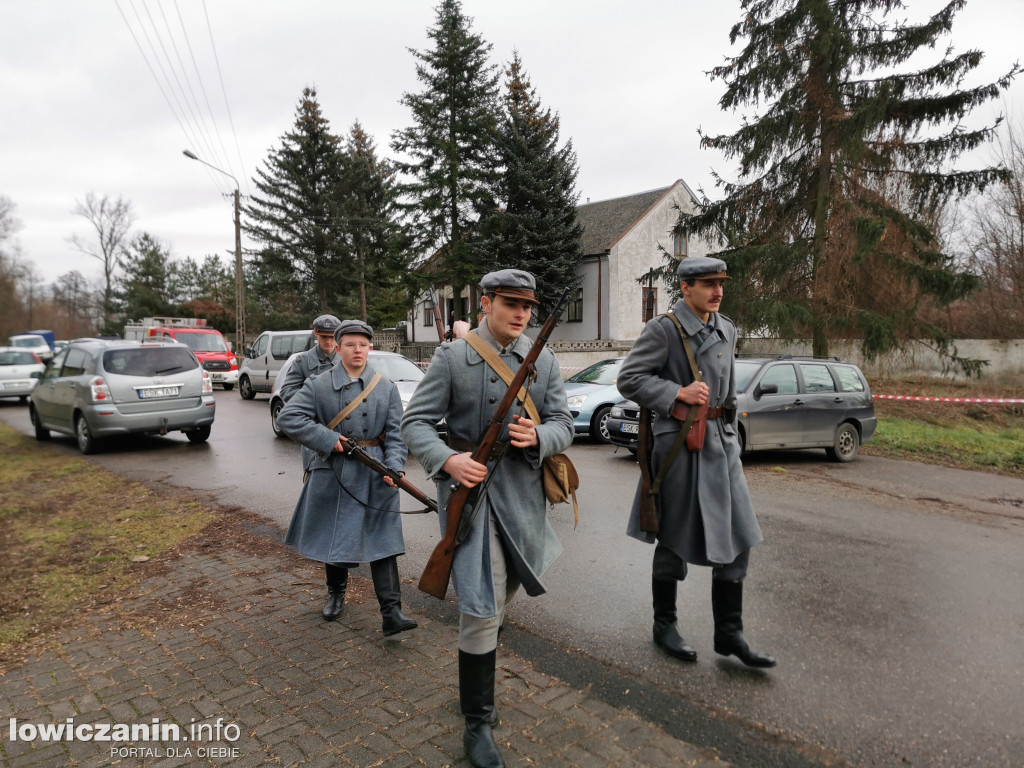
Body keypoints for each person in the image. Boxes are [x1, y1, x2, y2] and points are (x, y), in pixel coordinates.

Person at [401, 269, 574, 768]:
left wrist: (540, 439)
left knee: (504, 594)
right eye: (510, 304)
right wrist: (448, 460)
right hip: (470, 500)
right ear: (486, 303)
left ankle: (477, 669)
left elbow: (564, 424)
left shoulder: (545, 361)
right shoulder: (453, 358)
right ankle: (477, 720)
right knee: (479, 607)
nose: (521, 314)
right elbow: (416, 423)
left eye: (527, 307)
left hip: (522, 498)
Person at [617, 256, 776, 669]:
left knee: (740, 537)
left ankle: (729, 633)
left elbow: (730, 395)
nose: (718, 291)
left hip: (721, 446)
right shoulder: (664, 330)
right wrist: (676, 393)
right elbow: (629, 379)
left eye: (721, 283)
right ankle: (664, 625)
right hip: (680, 448)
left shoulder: (727, 329)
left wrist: (733, 442)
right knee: (674, 539)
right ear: (686, 288)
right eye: (708, 283)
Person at [277, 319, 417, 636]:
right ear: (338, 348)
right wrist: (328, 440)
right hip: (335, 472)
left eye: (363, 344)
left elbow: (396, 436)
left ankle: (391, 613)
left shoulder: (385, 387)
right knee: (336, 536)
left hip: (375, 471)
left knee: (384, 542)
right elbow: (288, 418)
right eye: (350, 344)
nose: (358, 350)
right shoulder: (319, 384)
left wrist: (396, 467)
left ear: (371, 347)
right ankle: (335, 594)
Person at [277, 314, 342, 402]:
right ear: (316, 333)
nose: (328, 341)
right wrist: (312, 400)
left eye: (331, 337)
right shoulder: (302, 361)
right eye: (324, 337)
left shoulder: (346, 360)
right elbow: (287, 391)